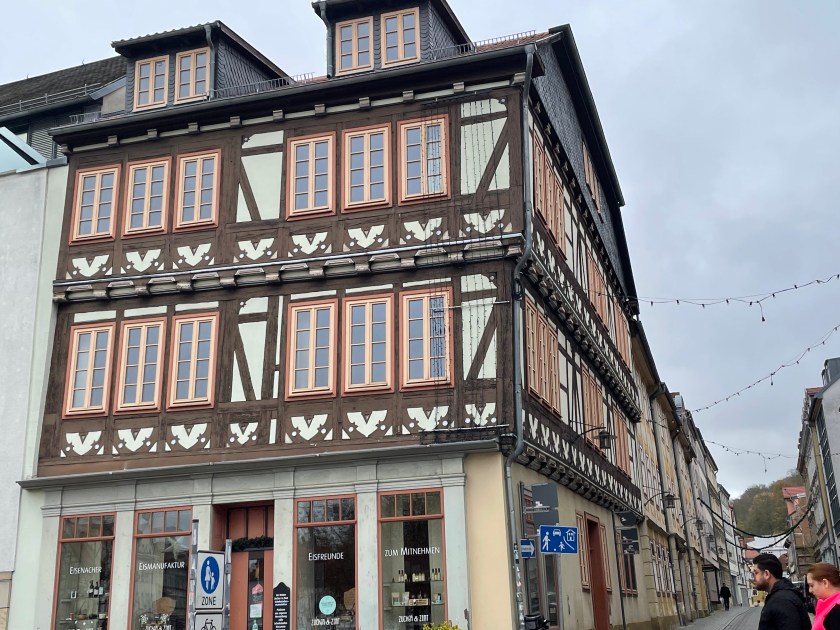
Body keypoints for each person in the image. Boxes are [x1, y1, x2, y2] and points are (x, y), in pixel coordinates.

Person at [751, 553, 810, 630]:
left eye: (756, 573)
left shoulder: (782, 601)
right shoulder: (780, 596)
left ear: (766, 574)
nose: (753, 577)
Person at [807, 562, 840, 630]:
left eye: (812, 585)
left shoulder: (836, 610)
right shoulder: (831, 607)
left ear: (825, 583)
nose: (810, 590)